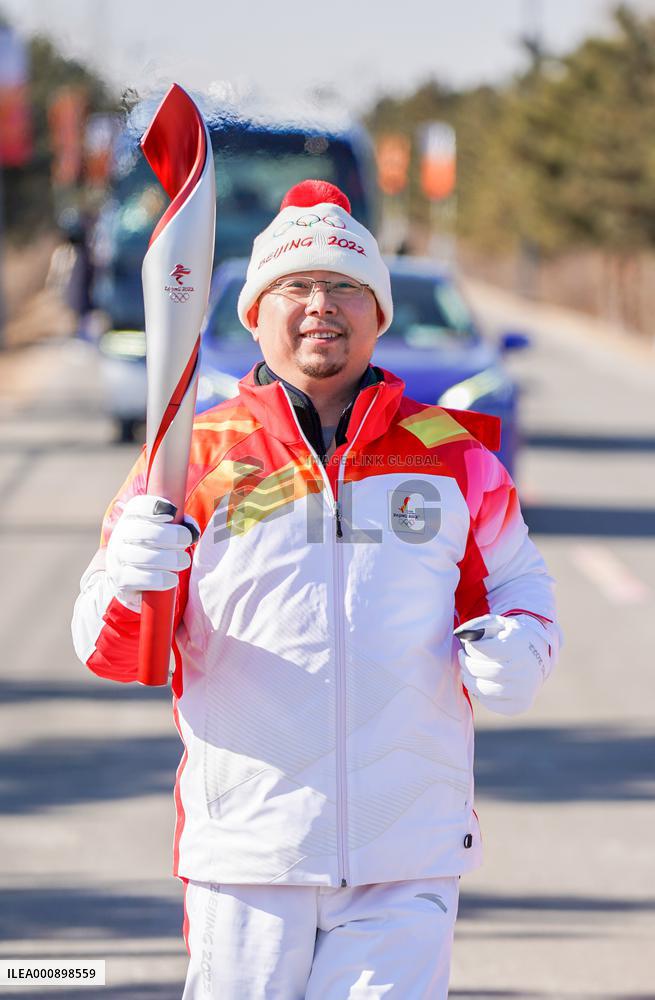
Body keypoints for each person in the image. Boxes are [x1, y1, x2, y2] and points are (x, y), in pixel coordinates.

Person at [72, 179, 561, 999]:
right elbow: (108, 649)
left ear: (378, 313)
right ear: (255, 314)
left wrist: (520, 645)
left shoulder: (454, 458)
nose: (319, 305)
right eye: (294, 287)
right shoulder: (189, 461)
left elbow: (522, 588)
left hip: (407, 856)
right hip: (249, 859)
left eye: (343, 286)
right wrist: (130, 575)